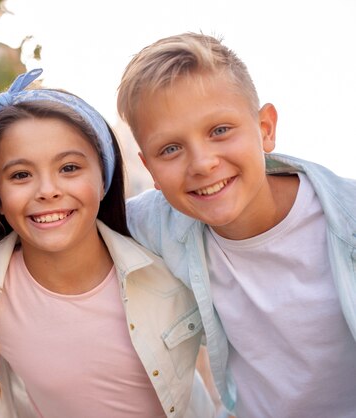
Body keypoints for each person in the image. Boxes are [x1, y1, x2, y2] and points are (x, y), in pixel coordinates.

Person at [0, 68, 216, 418]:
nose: (48, 190)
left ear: (104, 177)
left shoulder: (164, 261)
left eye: (69, 168)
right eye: (21, 175)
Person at [116, 32, 356, 418]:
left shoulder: (348, 216)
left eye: (220, 131)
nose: (202, 163)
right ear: (150, 170)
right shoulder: (156, 223)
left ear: (265, 129)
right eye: (170, 149)